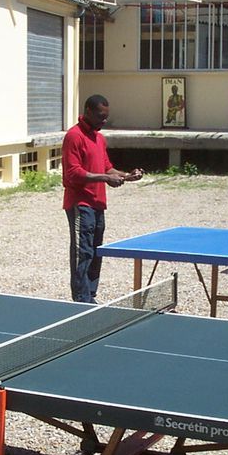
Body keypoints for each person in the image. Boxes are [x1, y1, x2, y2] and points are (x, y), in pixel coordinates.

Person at [62, 94, 144, 303]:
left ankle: (91, 294)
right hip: (81, 204)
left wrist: (127, 175)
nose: (104, 120)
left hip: (98, 204)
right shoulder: (74, 136)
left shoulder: (99, 138)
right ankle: (81, 300)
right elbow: (73, 173)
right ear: (88, 112)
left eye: (106, 116)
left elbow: (107, 167)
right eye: (100, 115)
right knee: (84, 252)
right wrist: (106, 178)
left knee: (97, 252)